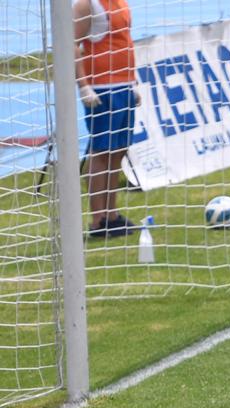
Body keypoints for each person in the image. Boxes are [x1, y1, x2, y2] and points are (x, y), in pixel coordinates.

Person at [74, 0, 140, 237]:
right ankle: (97, 220)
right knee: (101, 152)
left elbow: (124, 41)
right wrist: (84, 86)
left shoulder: (120, 2)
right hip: (102, 88)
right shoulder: (85, 5)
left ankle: (112, 215)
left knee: (119, 150)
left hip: (124, 86)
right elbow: (71, 45)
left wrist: (133, 83)